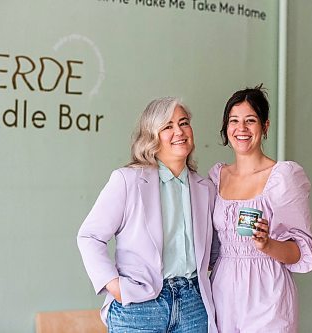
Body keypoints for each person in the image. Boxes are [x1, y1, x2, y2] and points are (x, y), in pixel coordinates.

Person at [77, 97, 217, 332]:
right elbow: (90, 236)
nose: (179, 132)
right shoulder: (127, 180)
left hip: (194, 305)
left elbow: (215, 252)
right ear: (152, 136)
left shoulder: (206, 188)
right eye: (168, 126)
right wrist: (114, 285)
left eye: (184, 123)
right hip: (138, 306)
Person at [209, 85, 312, 332]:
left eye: (251, 120)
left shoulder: (283, 177)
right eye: (234, 120)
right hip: (222, 291)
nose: (241, 128)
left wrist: (267, 244)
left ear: (265, 126)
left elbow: (301, 251)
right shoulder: (216, 177)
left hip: (267, 292)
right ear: (226, 126)